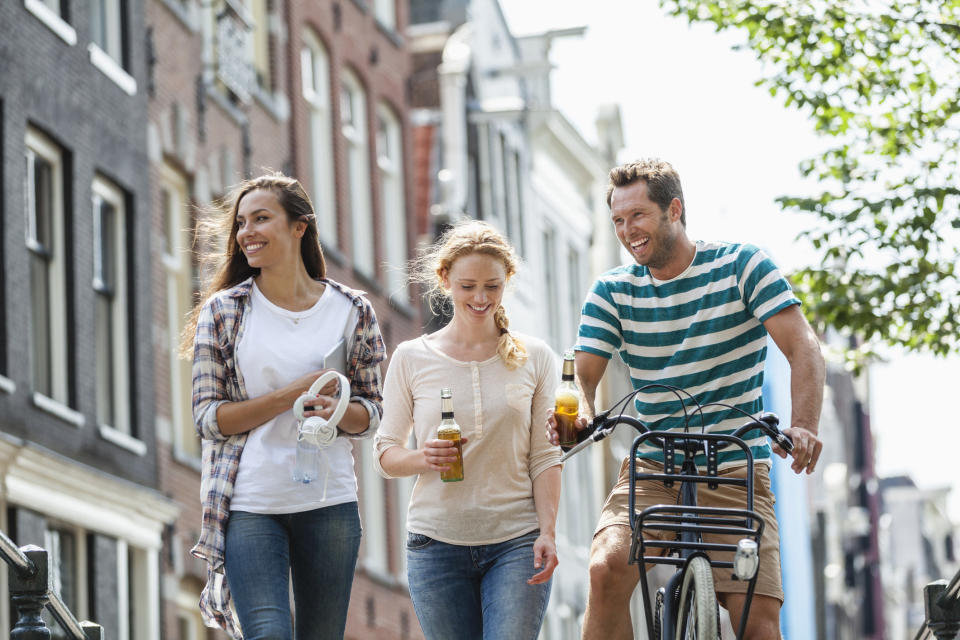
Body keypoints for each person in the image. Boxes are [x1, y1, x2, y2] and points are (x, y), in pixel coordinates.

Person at [546, 159, 825, 640]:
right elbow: (582, 381)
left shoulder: (743, 266)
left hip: (736, 463)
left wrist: (803, 425)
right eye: (617, 220)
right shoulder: (612, 292)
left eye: (638, 216)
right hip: (654, 464)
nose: (627, 231)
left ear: (674, 209)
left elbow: (804, 346)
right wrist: (581, 416)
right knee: (606, 568)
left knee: (756, 620)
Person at [184, 173, 386, 640]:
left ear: (300, 227)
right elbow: (208, 419)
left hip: (329, 503)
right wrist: (289, 395)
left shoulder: (352, 310)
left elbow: (372, 412)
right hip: (251, 502)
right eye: (241, 223)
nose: (246, 232)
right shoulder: (224, 312)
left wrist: (334, 411)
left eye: (261, 219)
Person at [374, 220, 562, 640]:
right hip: (435, 546)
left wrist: (548, 531)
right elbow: (385, 453)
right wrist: (422, 457)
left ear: (507, 282)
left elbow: (546, 455)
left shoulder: (535, 357)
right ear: (445, 280)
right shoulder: (411, 358)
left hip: (517, 541)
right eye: (468, 286)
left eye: (492, 287)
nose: (480, 298)